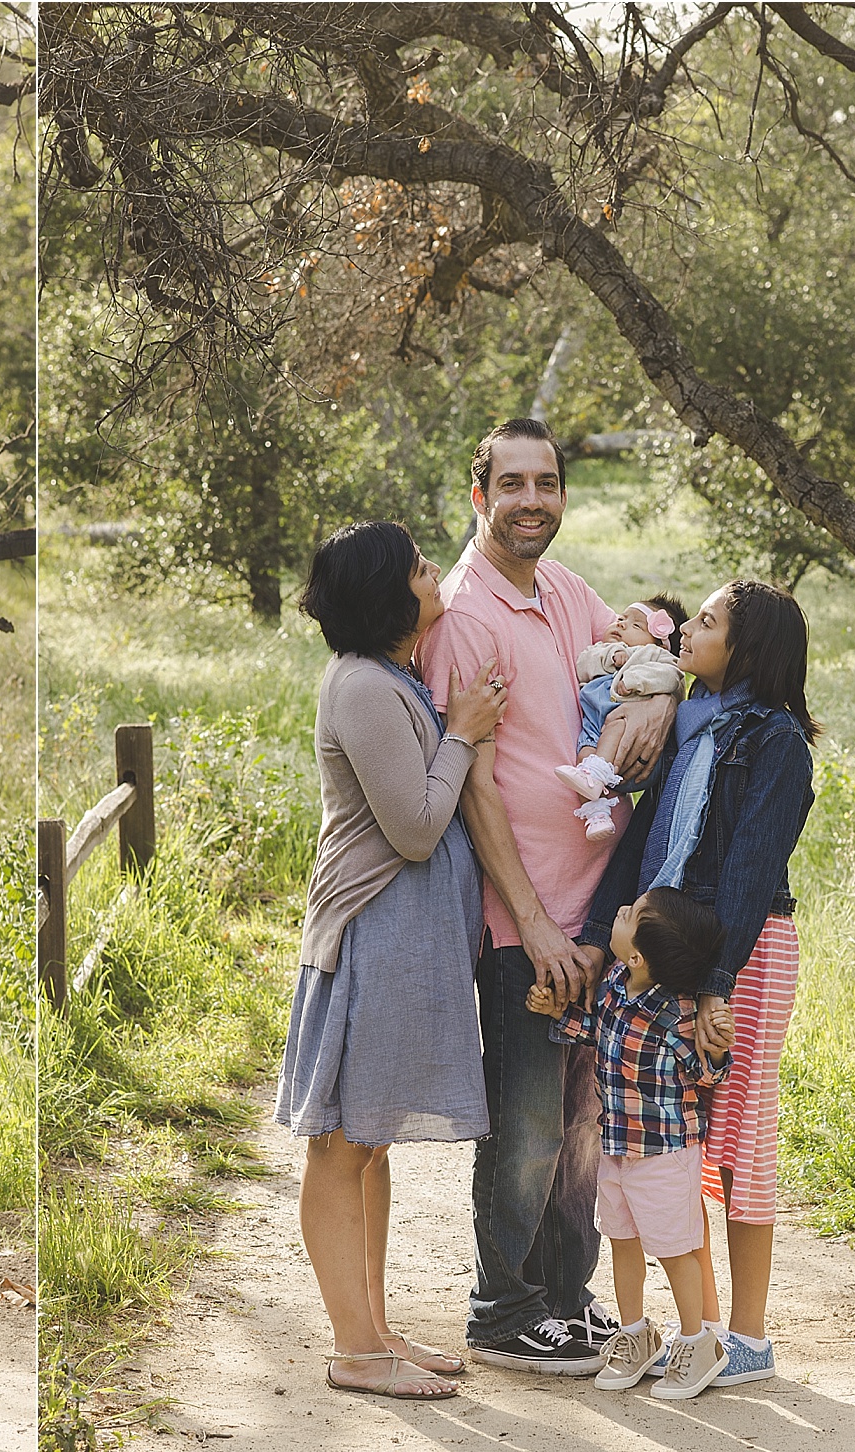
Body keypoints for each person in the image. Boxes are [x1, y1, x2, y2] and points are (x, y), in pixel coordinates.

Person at [419, 417, 680, 1375]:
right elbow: (477, 787)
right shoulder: (465, 616)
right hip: (521, 920)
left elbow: (648, 648)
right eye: (514, 483)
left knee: (581, 1122)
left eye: (550, 483)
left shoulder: (564, 590)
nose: (535, 499)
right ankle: (503, 1309)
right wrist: (529, 927)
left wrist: (653, 696)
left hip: (594, 913)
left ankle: (564, 1303)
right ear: (479, 495)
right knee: (527, 1119)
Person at [276, 521, 509, 1400]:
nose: (430, 572)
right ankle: (353, 1349)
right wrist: (462, 733)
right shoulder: (367, 688)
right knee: (340, 1145)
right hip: (370, 934)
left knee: (370, 1144)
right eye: (416, 566)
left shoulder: (389, 678)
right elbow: (414, 828)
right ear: (389, 592)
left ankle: (373, 1329)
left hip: (402, 940)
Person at [577, 580, 818, 1390]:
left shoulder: (778, 741)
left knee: (740, 1138)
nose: (687, 631)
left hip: (744, 951)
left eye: (706, 624)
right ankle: (701, 1329)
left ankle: (746, 1336)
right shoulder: (694, 724)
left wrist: (719, 983)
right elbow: (645, 838)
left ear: (745, 651)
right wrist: (594, 938)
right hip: (685, 949)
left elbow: (750, 867)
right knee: (679, 1142)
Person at [532, 888, 731, 1397]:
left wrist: (719, 1049)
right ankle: (636, 1335)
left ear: (638, 954)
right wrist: (559, 1014)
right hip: (617, 1147)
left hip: (665, 1155)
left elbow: (707, 1073)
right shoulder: (617, 986)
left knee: (675, 1249)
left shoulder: (676, 1015)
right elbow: (599, 1032)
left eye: (629, 915)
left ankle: (698, 1342)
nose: (618, 910)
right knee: (622, 1239)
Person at [556, 596, 686, 842]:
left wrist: (636, 680)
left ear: (660, 642)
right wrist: (612, 656)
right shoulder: (603, 650)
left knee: (616, 724)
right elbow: (584, 664)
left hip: (626, 734)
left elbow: (671, 677)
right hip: (595, 727)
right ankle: (597, 816)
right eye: (621, 619)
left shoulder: (654, 656)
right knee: (583, 756)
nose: (622, 625)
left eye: (636, 625)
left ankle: (598, 774)